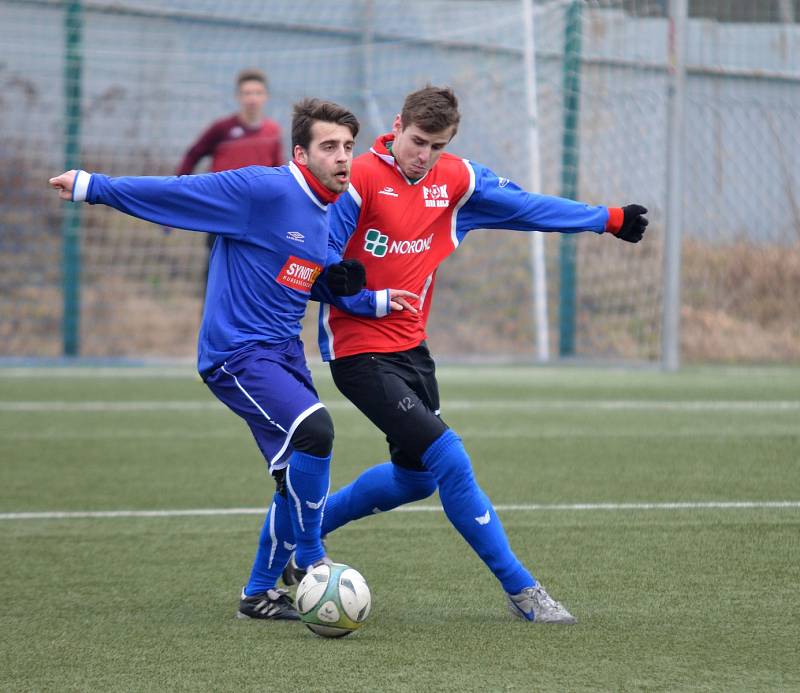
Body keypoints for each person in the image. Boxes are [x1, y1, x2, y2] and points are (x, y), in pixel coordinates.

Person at [285, 85, 649, 625]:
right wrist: (361, 294)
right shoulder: (358, 177)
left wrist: (607, 219)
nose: (423, 155)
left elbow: (525, 207)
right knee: (450, 456)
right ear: (397, 126)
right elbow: (317, 267)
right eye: (416, 141)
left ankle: (300, 543)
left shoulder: (456, 179)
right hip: (358, 354)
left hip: (413, 350)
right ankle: (523, 590)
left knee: (416, 479)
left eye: (436, 145)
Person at [49, 98, 413, 621]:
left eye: (348, 148)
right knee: (316, 431)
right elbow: (178, 195)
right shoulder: (261, 189)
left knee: (296, 470)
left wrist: (365, 297)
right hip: (237, 354)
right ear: (301, 154)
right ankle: (311, 557)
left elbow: (304, 276)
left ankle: (259, 594)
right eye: (329, 147)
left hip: (284, 353)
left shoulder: (323, 211)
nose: (342, 158)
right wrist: (92, 187)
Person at [176, 68, 284, 276]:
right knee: (216, 268)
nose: (252, 99)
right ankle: (211, 309)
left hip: (256, 213)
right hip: (221, 209)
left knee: (250, 270)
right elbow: (193, 154)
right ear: (238, 96)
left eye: (257, 93)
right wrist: (181, 190)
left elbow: (277, 172)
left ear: (266, 97)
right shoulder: (222, 129)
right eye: (247, 93)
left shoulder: (272, 131)